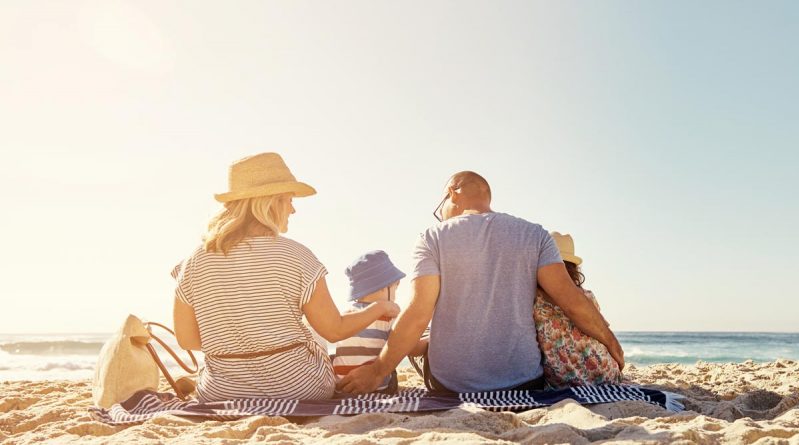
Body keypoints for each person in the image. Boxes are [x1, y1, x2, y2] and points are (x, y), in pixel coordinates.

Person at [339, 171, 624, 394]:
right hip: (524, 383)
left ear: (453, 191)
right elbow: (571, 300)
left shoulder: (432, 237)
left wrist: (377, 371)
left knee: (424, 339)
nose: (440, 216)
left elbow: (419, 311)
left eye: (441, 207)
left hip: (450, 385)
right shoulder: (535, 235)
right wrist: (611, 342)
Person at [172, 153, 399, 402]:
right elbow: (334, 331)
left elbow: (187, 339)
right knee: (312, 332)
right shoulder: (297, 255)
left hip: (221, 393)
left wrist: (241, 339)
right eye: (289, 199)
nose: (293, 208)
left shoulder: (193, 261)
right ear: (273, 201)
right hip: (300, 389)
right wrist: (379, 307)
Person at [534, 232, 622, 388]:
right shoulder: (586, 297)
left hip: (560, 379)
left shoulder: (534, 300)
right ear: (573, 268)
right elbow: (601, 327)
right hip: (603, 373)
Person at [332, 250, 405, 394]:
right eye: (396, 287)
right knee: (392, 367)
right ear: (385, 287)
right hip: (377, 388)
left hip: (344, 386)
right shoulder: (389, 317)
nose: (396, 295)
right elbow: (410, 346)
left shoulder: (347, 315)